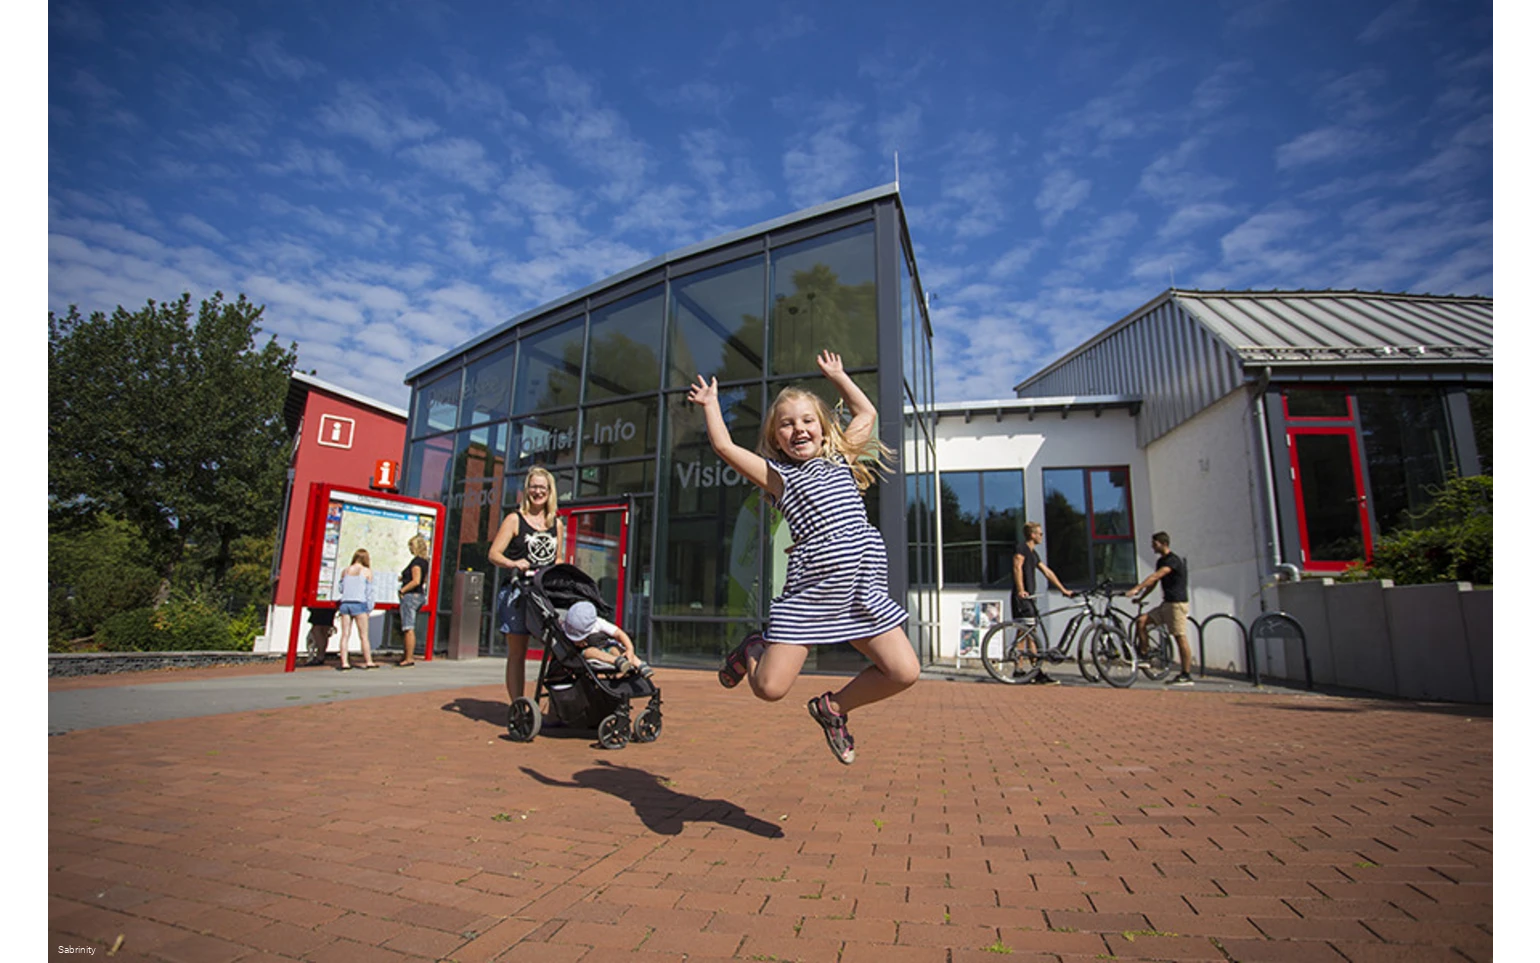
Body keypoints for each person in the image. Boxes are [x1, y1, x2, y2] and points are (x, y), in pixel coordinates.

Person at [690, 350, 920, 765]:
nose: (798, 429)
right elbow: (724, 447)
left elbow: (865, 410)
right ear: (776, 437)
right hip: (812, 593)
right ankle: (752, 648)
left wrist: (838, 376)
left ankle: (833, 709)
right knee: (769, 688)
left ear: (822, 427)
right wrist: (710, 406)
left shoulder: (842, 457)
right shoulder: (781, 478)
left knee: (904, 671)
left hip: (860, 590)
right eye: (786, 424)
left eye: (806, 420)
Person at [488, 466, 566, 710]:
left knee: (560, 647)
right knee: (517, 651)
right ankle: (519, 706)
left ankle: (557, 703)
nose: (538, 491)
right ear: (527, 489)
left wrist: (560, 571)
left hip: (545, 592)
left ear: (550, 491)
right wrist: (513, 563)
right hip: (518, 592)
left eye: (543, 487)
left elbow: (559, 557)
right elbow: (493, 554)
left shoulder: (557, 523)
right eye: (534, 486)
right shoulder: (514, 519)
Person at [1125, 531, 1193, 685]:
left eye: (1154, 544)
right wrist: (1141, 597)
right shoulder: (1160, 561)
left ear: (1163, 543)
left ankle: (1186, 674)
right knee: (1141, 621)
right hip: (1166, 604)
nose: (1152, 547)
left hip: (1177, 604)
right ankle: (1145, 655)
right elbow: (1154, 583)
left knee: (1179, 636)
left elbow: (1156, 577)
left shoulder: (1173, 561)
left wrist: (1137, 588)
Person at [1011, 521, 1075, 684]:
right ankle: (1028, 670)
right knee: (1027, 633)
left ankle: (1028, 671)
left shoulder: (1033, 554)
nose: (1041, 536)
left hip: (1029, 597)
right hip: (1022, 597)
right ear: (1032, 535)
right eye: (1039, 533)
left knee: (1028, 633)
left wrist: (1063, 590)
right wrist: (1021, 590)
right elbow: (1017, 567)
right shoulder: (1022, 548)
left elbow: (1047, 572)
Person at [560, 600, 654, 678]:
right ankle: (617, 661)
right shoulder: (567, 626)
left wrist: (630, 649)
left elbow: (619, 634)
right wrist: (578, 642)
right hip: (589, 650)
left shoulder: (598, 622)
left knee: (617, 649)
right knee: (589, 651)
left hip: (606, 645)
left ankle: (639, 664)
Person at [335, 549, 379, 670]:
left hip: (345, 603)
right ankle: (368, 661)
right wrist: (369, 608)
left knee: (345, 635)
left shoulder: (345, 571)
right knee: (363, 635)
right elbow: (369, 592)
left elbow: (341, 588)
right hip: (359, 603)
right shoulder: (366, 571)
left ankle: (344, 662)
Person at [396, 535, 430, 667]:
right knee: (408, 626)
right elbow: (423, 580)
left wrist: (403, 590)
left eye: (411, 546)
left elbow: (416, 580)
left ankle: (408, 657)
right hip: (420, 595)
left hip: (411, 596)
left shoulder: (416, 562)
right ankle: (406, 655)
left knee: (408, 627)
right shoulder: (425, 561)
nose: (410, 549)